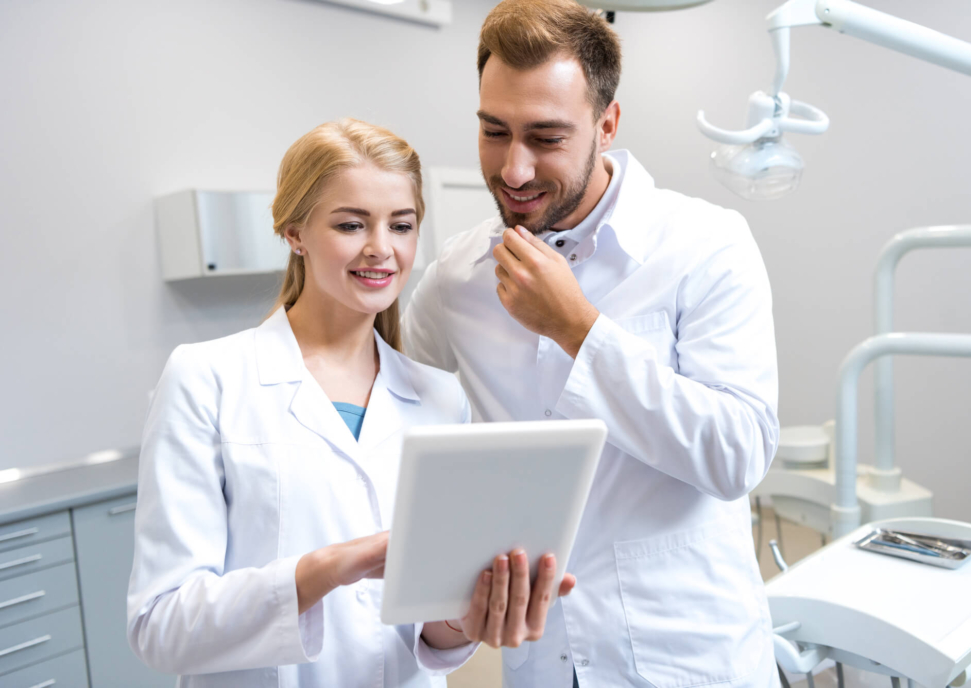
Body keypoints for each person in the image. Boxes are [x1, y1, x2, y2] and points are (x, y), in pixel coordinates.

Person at [401, 2, 780, 687]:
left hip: (689, 659)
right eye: (494, 131)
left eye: (546, 137)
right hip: (544, 662)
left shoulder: (704, 247)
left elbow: (737, 454)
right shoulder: (456, 281)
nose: (513, 170)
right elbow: (399, 425)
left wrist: (580, 331)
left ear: (607, 125)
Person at [127, 118, 572, 688]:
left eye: (401, 225)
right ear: (294, 231)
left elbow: (425, 632)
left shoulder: (439, 397)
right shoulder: (206, 378)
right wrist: (325, 570)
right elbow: (159, 626)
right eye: (350, 224)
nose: (381, 249)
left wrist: (466, 619)